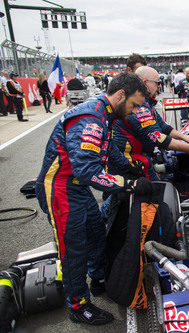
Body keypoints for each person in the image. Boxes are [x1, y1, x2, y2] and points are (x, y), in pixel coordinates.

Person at [35, 72, 148, 325]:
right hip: (60, 188)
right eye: (134, 105)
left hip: (75, 187)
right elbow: (87, 171)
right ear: (121, 95)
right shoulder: (91, 117)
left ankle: (98, 279)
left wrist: (131, 168)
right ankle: (78, 305)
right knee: (74, 248)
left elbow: (109, 150)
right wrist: (128, 184)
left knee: (97, 232)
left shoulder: (105, 114)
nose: (134, 111)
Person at [112, 66, 189, 181]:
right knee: (156, 194)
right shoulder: (139, 105)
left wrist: (184, 137)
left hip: (140, 159)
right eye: (157, 83)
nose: (159, 86)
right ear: (145, 83)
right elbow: (157, 137)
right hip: (130, 164)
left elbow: (163, 127)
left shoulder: (146, 103)